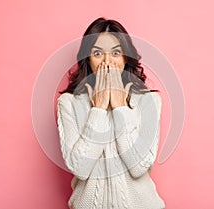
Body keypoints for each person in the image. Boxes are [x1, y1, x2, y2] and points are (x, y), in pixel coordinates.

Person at [56, 17, 166, 209]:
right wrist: (98, 109)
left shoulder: (148, 101)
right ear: (87, 59)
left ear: (125, 57)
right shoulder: (69, 103)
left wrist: (119, 107)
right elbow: (80, 168)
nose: (107, 61)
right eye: (98, 53)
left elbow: (139, 166)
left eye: (116, 52)